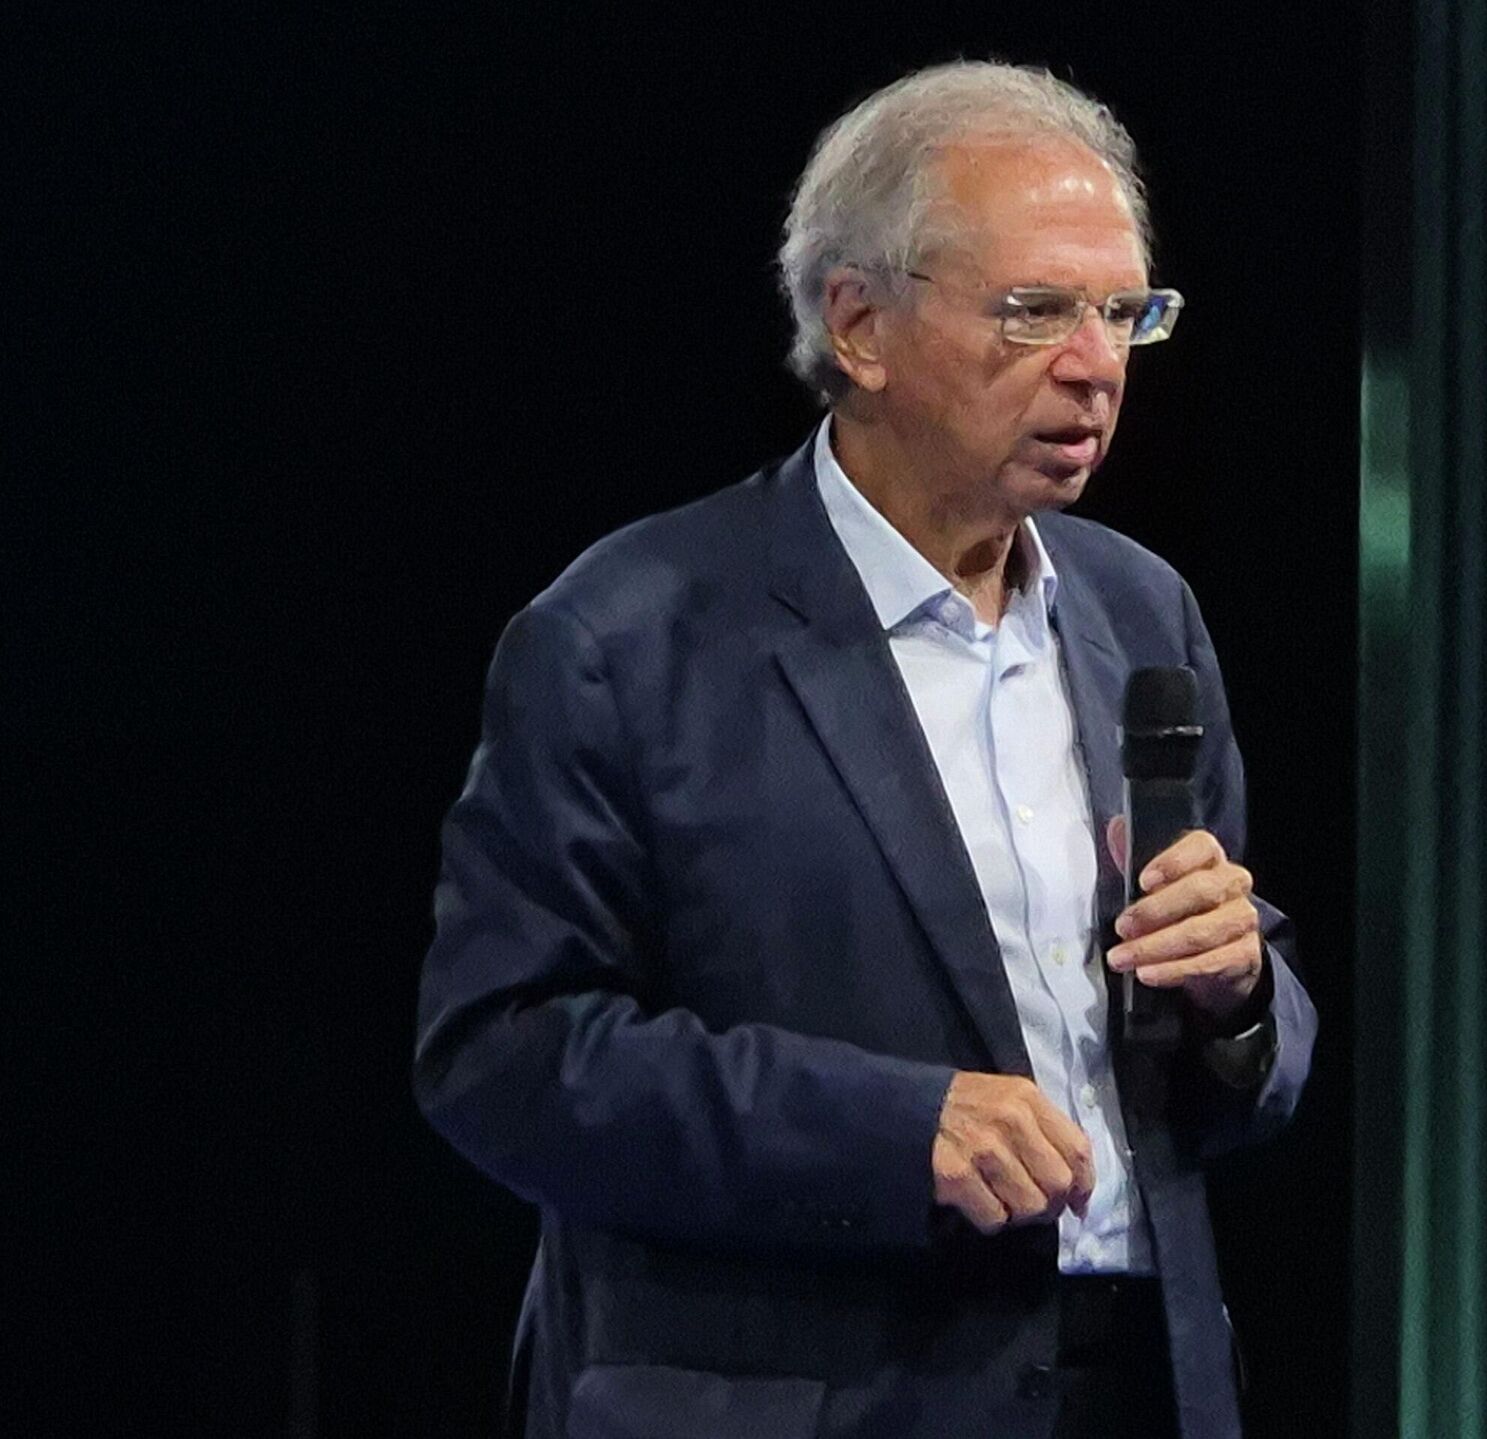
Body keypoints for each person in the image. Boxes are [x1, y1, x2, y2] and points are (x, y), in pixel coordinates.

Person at [413, 62, 1316, 1439]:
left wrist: (1239, 994)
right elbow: (503, 1055)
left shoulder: (1143, 611)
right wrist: (889, 1134)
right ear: (860, 326)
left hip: (1136, 1384)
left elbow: (1243, 1033)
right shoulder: (629, 636)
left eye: (1125, 313)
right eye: (1036, 311)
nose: (1097, 364)